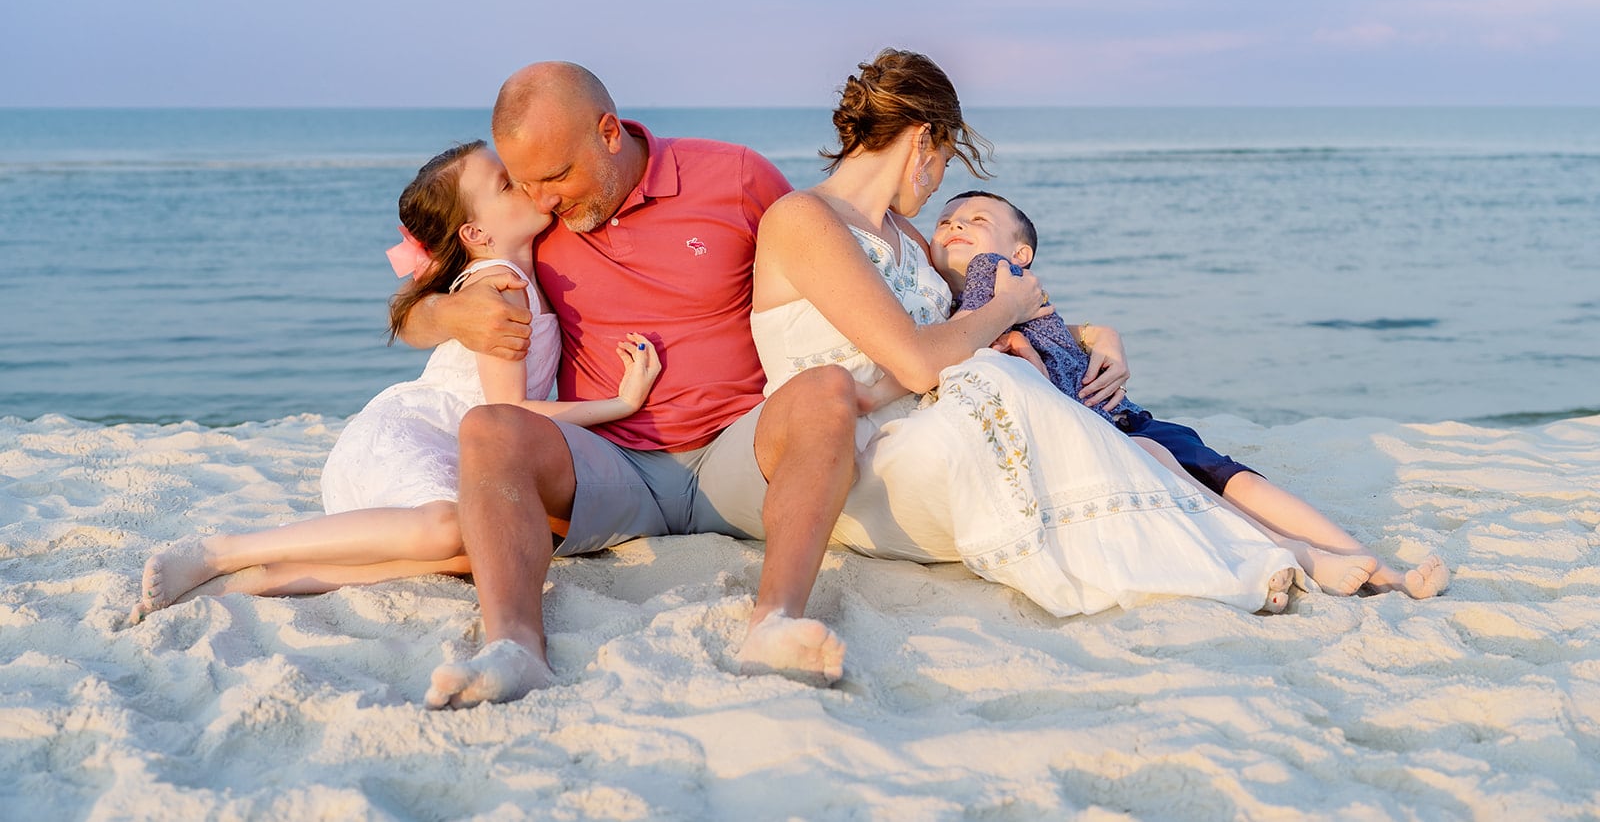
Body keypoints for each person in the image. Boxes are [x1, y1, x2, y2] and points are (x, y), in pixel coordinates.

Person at [751, 48, 1301, 618]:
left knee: (1047, 396)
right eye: (943, 161)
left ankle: (1255, 546)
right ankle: (1235, 552)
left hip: (928, 424)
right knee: (1010, 383)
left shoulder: (909, 240)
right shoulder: (804, 219)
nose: (939, 184)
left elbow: (966, 324)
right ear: (922, 142)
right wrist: (1006, 310)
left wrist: (1093, 334)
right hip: (842, 458)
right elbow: (922, 359)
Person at [400, 62, 860, 708]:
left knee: (827, 389)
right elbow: (411, 306)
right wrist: (453, 312)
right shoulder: (534, 221)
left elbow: (843, 245)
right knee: (489, 427)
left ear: (610, 133)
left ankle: (773, 623)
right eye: (525, 183)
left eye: (557, 177)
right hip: (610, 466)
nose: (544, 200)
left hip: (735, 450)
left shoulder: (736, 177)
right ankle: (516, 648)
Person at [129, 141, 662, 623]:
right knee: (452, 531)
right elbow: (510, 411)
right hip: (415, 436)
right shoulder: (500, 289)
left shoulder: (519, 268)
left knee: (481, 553)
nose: (523, 183)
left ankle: (268, 579)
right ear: (475, 234)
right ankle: (224, 551)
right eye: (505, 184)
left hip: (457, 448)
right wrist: (619, 403)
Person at [930, 189, 1451, 599]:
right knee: (1213, 477)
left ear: (1020, 254)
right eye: (945, 222)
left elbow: (1028, 341)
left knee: (1234, 479)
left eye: (976, 222)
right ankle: (1330, 560)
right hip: (1105, 429)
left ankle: (1373, 567)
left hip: (1115, 417)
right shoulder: (987, 297)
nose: (954, 226)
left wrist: (1091, 333)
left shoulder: (995, 280)